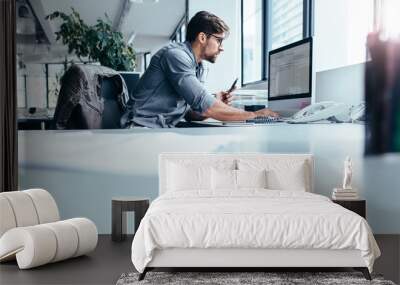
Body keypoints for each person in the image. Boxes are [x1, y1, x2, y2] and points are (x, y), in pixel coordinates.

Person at [121, 11, 278, 128]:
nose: (222, 48)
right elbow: (206, 106)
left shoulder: (198, 67)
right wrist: (254, 115)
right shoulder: (175, 56)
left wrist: (215, 101)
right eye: (219, 41)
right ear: (202, 38)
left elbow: (193, 113)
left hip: (161, 127)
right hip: (139, 127)